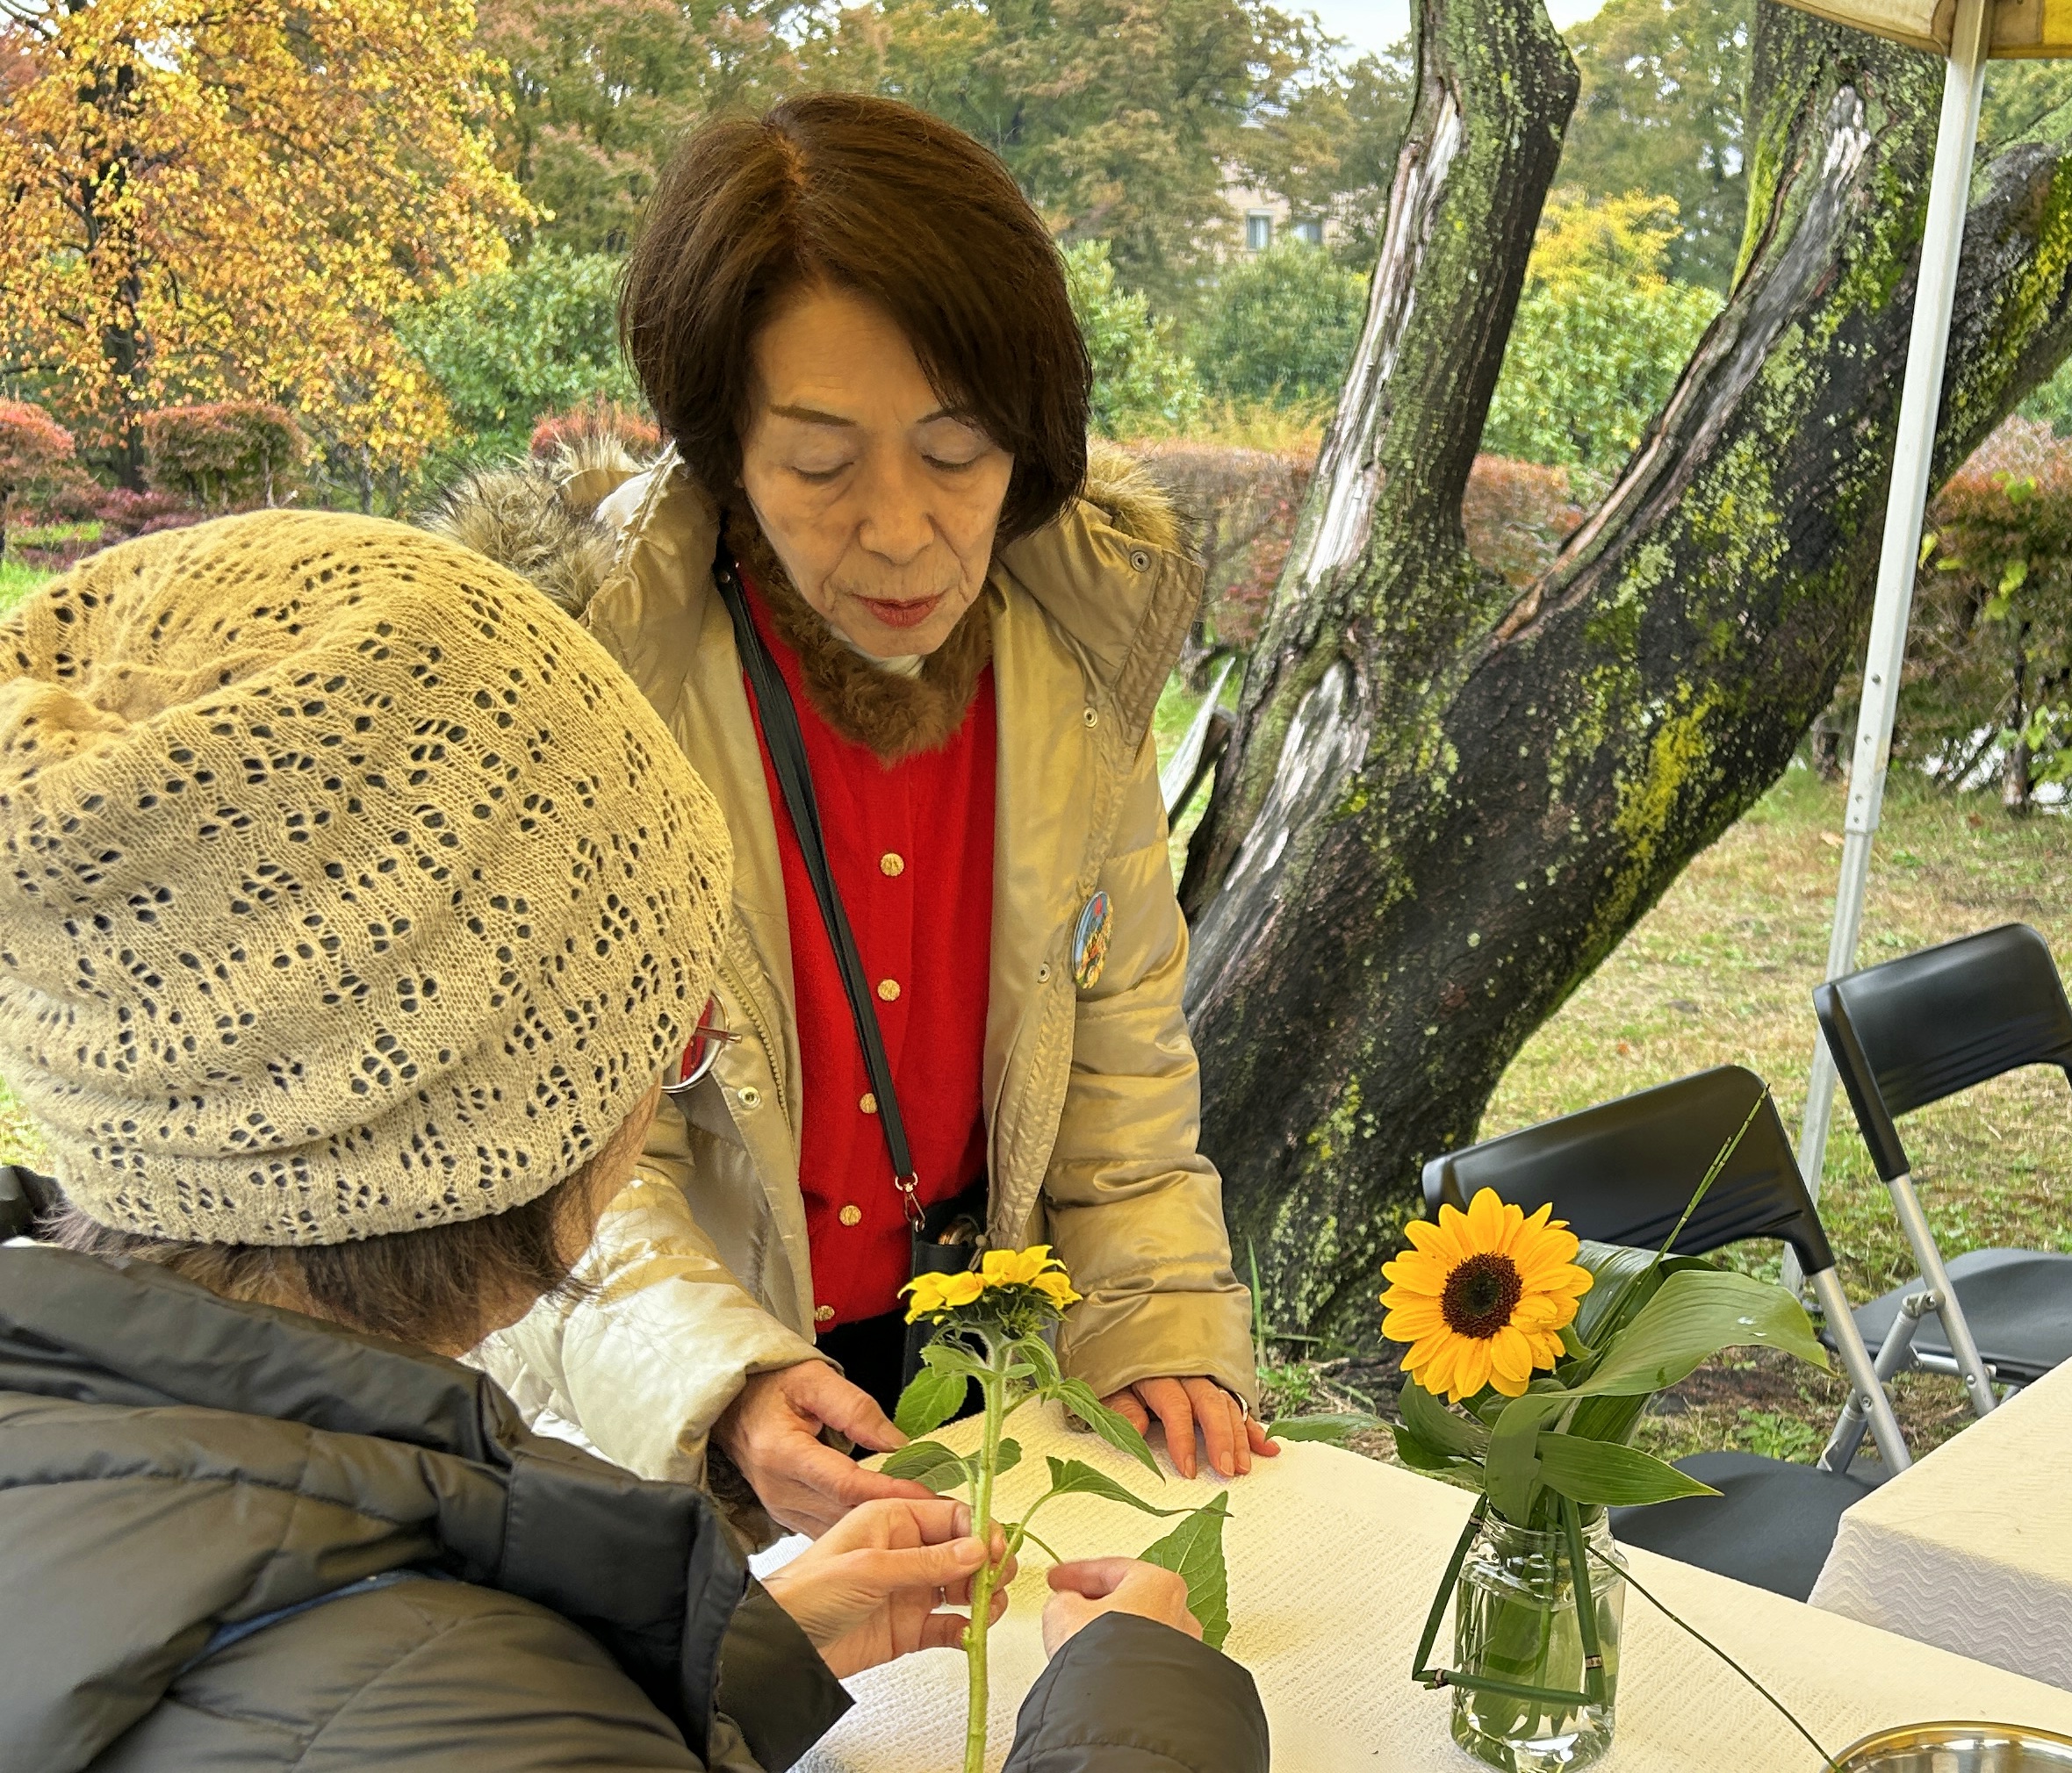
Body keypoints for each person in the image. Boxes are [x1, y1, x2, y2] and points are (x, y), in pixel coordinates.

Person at [0, 513, 1268, 1773]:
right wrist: (1141, 1710)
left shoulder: (84, 1450)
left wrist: (730, 1666)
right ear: (523, 1117)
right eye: (670, 1026)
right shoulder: (489, 1710)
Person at [434, 90, 1274, 1538]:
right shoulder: (590, 681)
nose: (899, 529)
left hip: (966, 1370)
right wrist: (722, 1383)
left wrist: (1160, 1325)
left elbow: (1123, 1070)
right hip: (677, 1397)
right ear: (720, 446)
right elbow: (548, 1162)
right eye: (820, 463)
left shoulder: (1079, 663)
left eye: (957, 452)